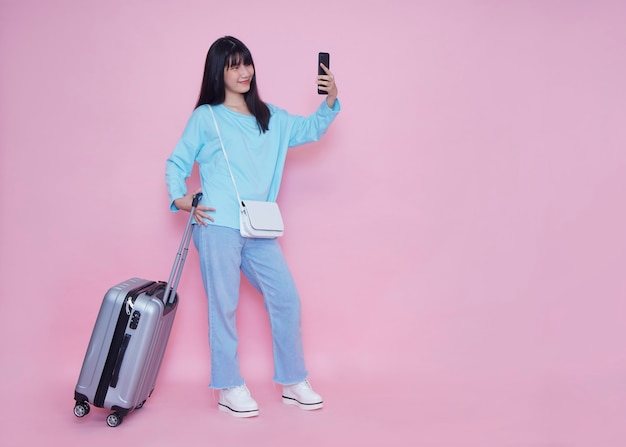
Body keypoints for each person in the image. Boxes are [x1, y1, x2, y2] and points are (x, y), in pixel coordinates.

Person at [165, 36, 340, 418]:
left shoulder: (270, 117)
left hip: (257, 227)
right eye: (233, 65)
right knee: (223, 308)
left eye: (247, 63)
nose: (244, 72)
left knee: (286, 298)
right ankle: (228, 387)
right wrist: (180, 198)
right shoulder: (206, 117)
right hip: (217, 226)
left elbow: (310, 129)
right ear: (219, 72)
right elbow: (177, 162)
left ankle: (293, 381)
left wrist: (329, 101)